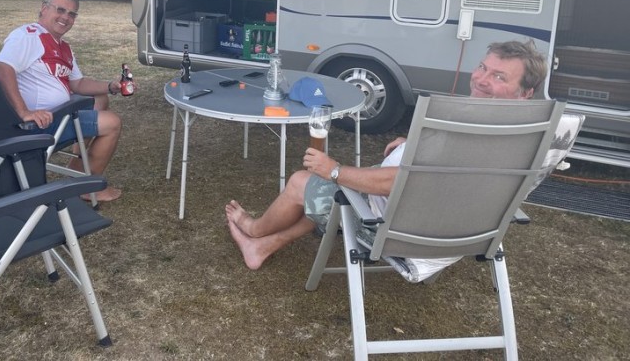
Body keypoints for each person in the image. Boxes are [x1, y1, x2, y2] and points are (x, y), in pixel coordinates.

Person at [225, 40, 549, 274]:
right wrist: (414, 145)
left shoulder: (470, 136)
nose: (481, 79)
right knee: (329, 194)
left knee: (304, 182)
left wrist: (334, 170)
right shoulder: (521, 136)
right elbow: (449, 173)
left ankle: (254, 230)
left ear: (525, 93)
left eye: (499, 77)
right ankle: (262, 247)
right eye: (483, 68)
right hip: (462, 231)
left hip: (396, 230)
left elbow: (397, 183)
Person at [0, 0, 125, 202]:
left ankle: (78, 167)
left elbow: (77, 83)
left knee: (101, 98)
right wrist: (24, 111)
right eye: (60, 10)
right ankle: (87, 186)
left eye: (72, 14)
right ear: (44, 9)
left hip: (58, 116)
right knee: (112, 123)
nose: (66, 17)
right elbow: (2, 68)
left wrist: (110, 86)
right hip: (38, 124)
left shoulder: (63, 46)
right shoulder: (28, 36)